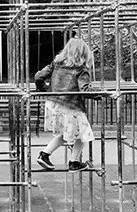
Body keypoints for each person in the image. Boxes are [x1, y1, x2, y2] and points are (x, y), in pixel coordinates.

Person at [34, 38, 95, 171]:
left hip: (54, 104)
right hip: (71, 106)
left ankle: (45, 154)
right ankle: (74, 162)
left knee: (67, 133)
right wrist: (101, 94)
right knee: (83, 133)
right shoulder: (81, 68)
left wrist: (45, 89)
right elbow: (84, 90)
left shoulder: (56, 64)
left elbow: (39, 76)